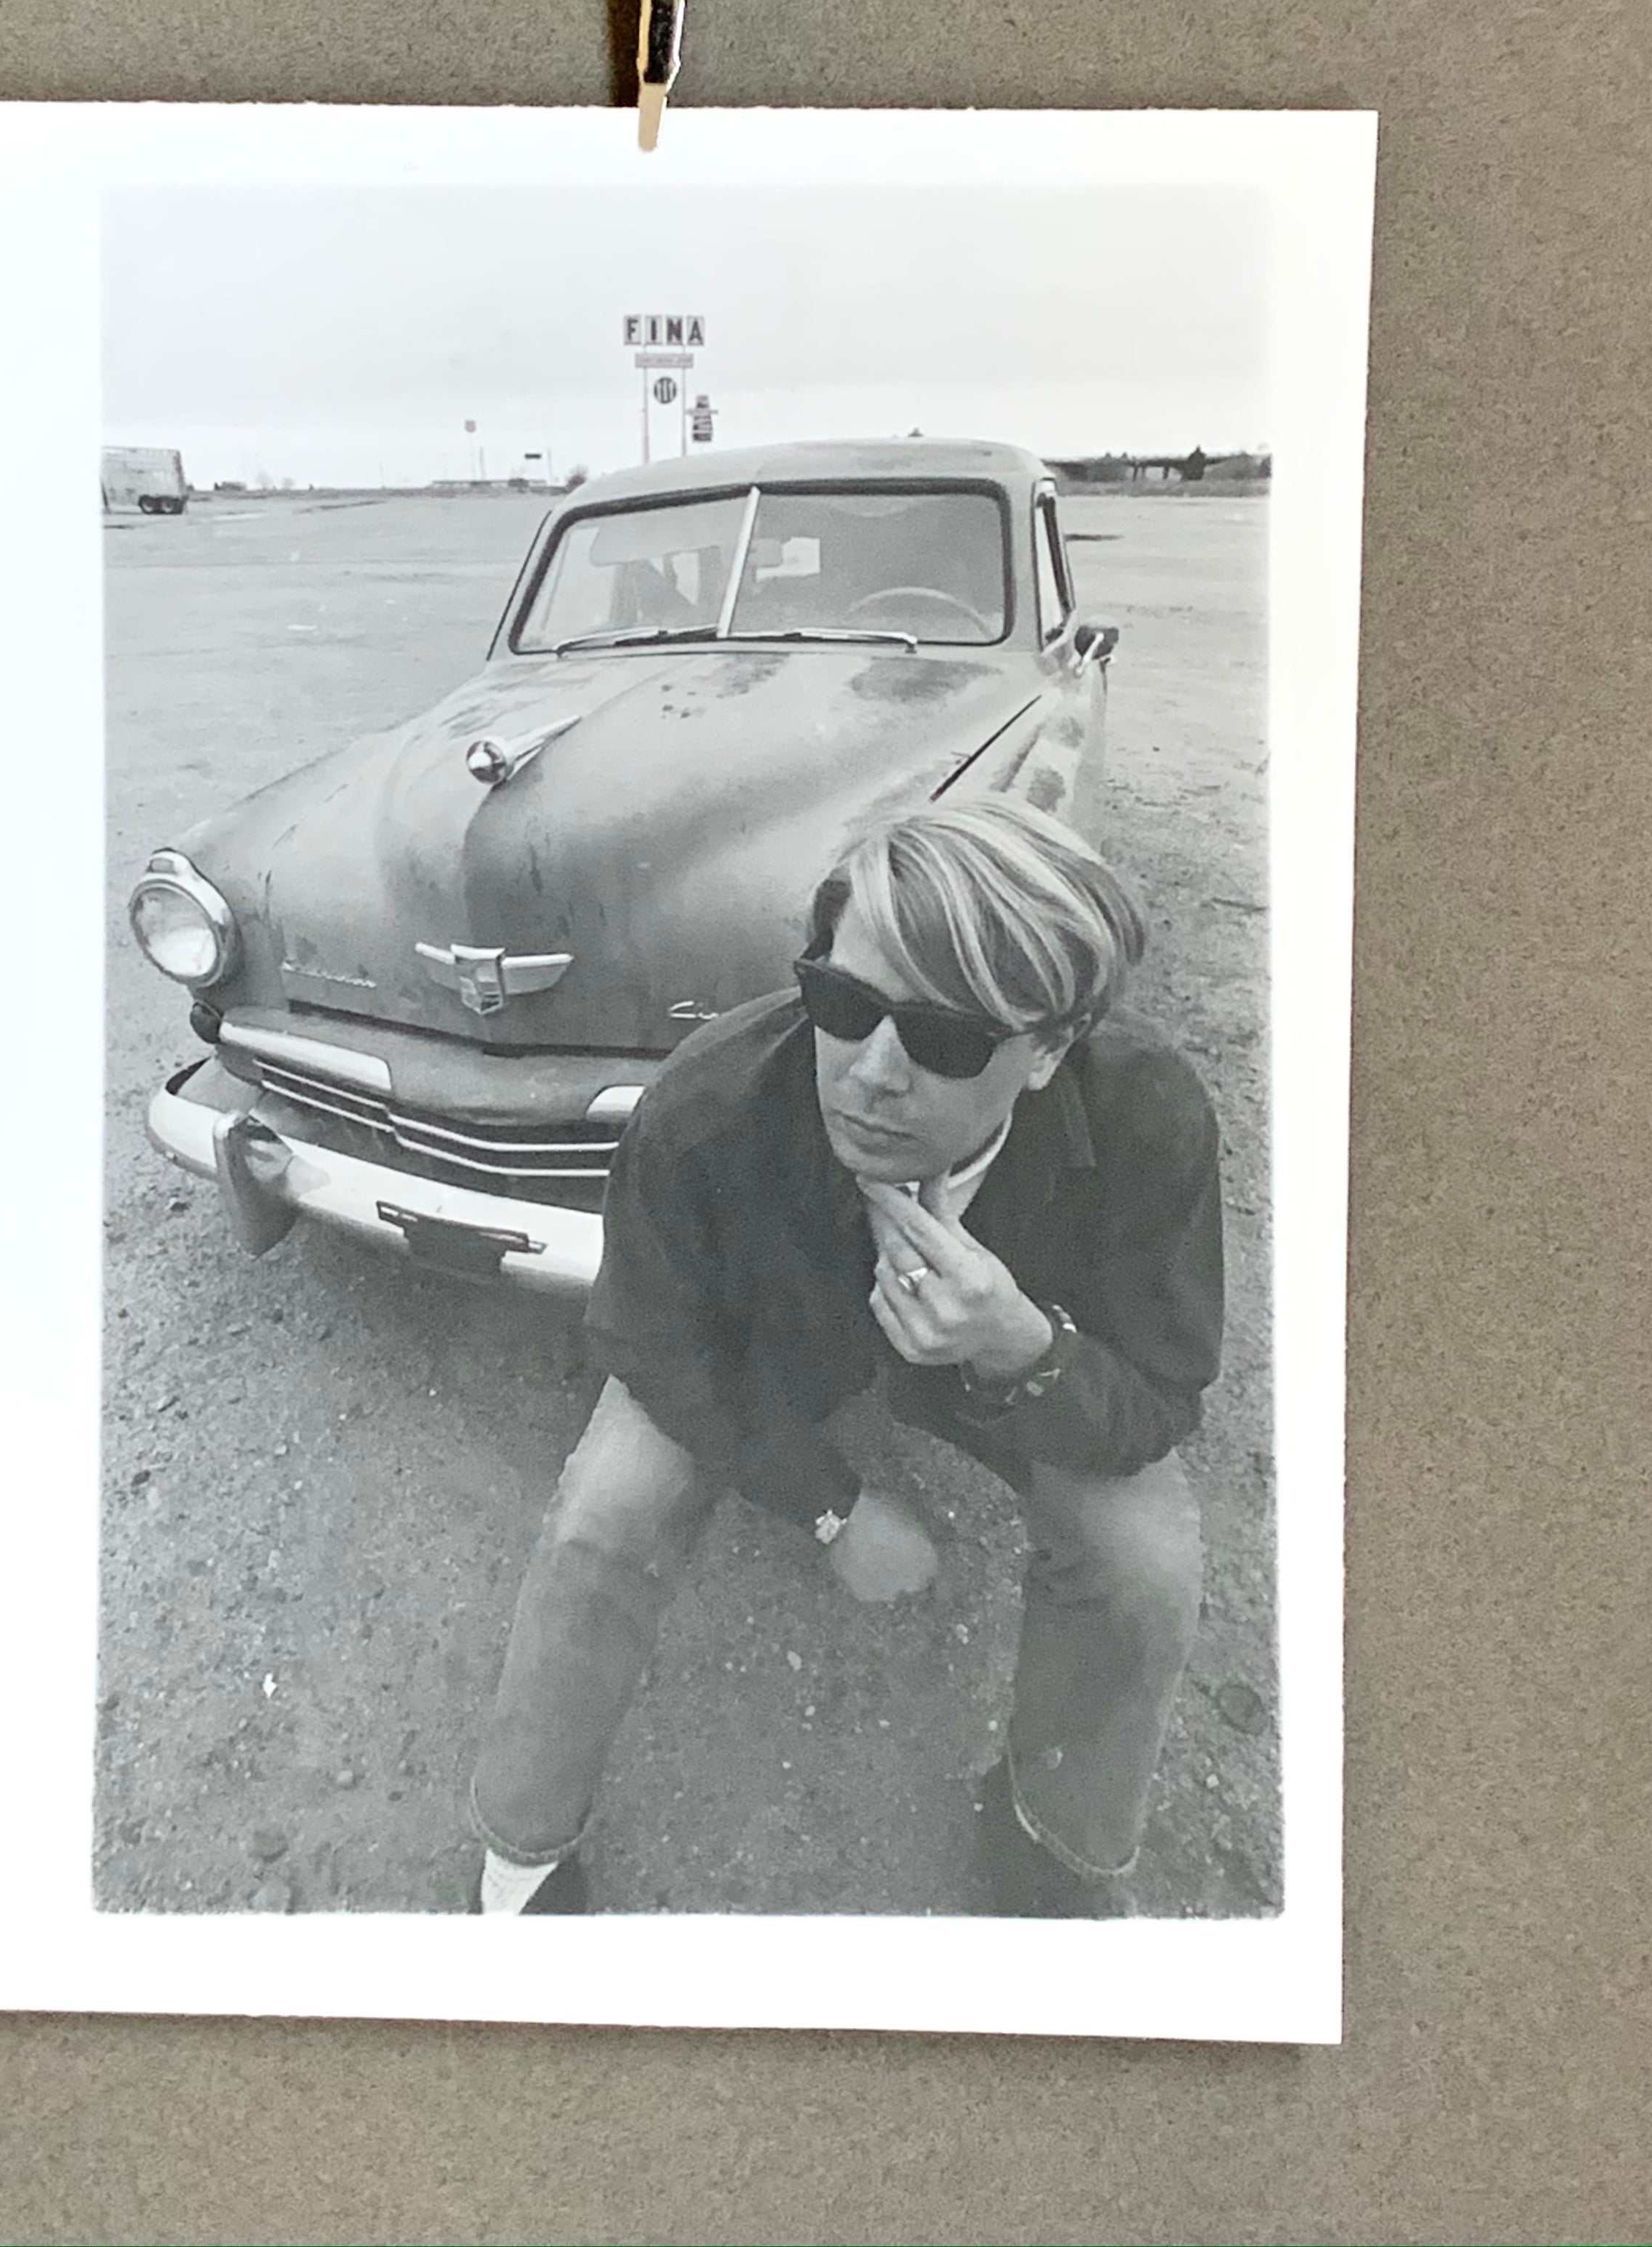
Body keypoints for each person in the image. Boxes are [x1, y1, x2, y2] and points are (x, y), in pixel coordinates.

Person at [467, 799, 1225, 1916]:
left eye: (947, 1037)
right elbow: (647, 1336)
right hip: (779, 1348)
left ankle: (1051, 1834)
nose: (870, 1072)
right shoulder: (707, 1103)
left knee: (1142, 1568)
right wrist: (830, 1505)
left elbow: (1161, 1394)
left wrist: (1023, 1348)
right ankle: (518, 1845)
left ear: (1049, 1051)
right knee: (604, 1514)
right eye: (843, 1002)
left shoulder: (1147, 1120)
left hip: (1004, 1366)